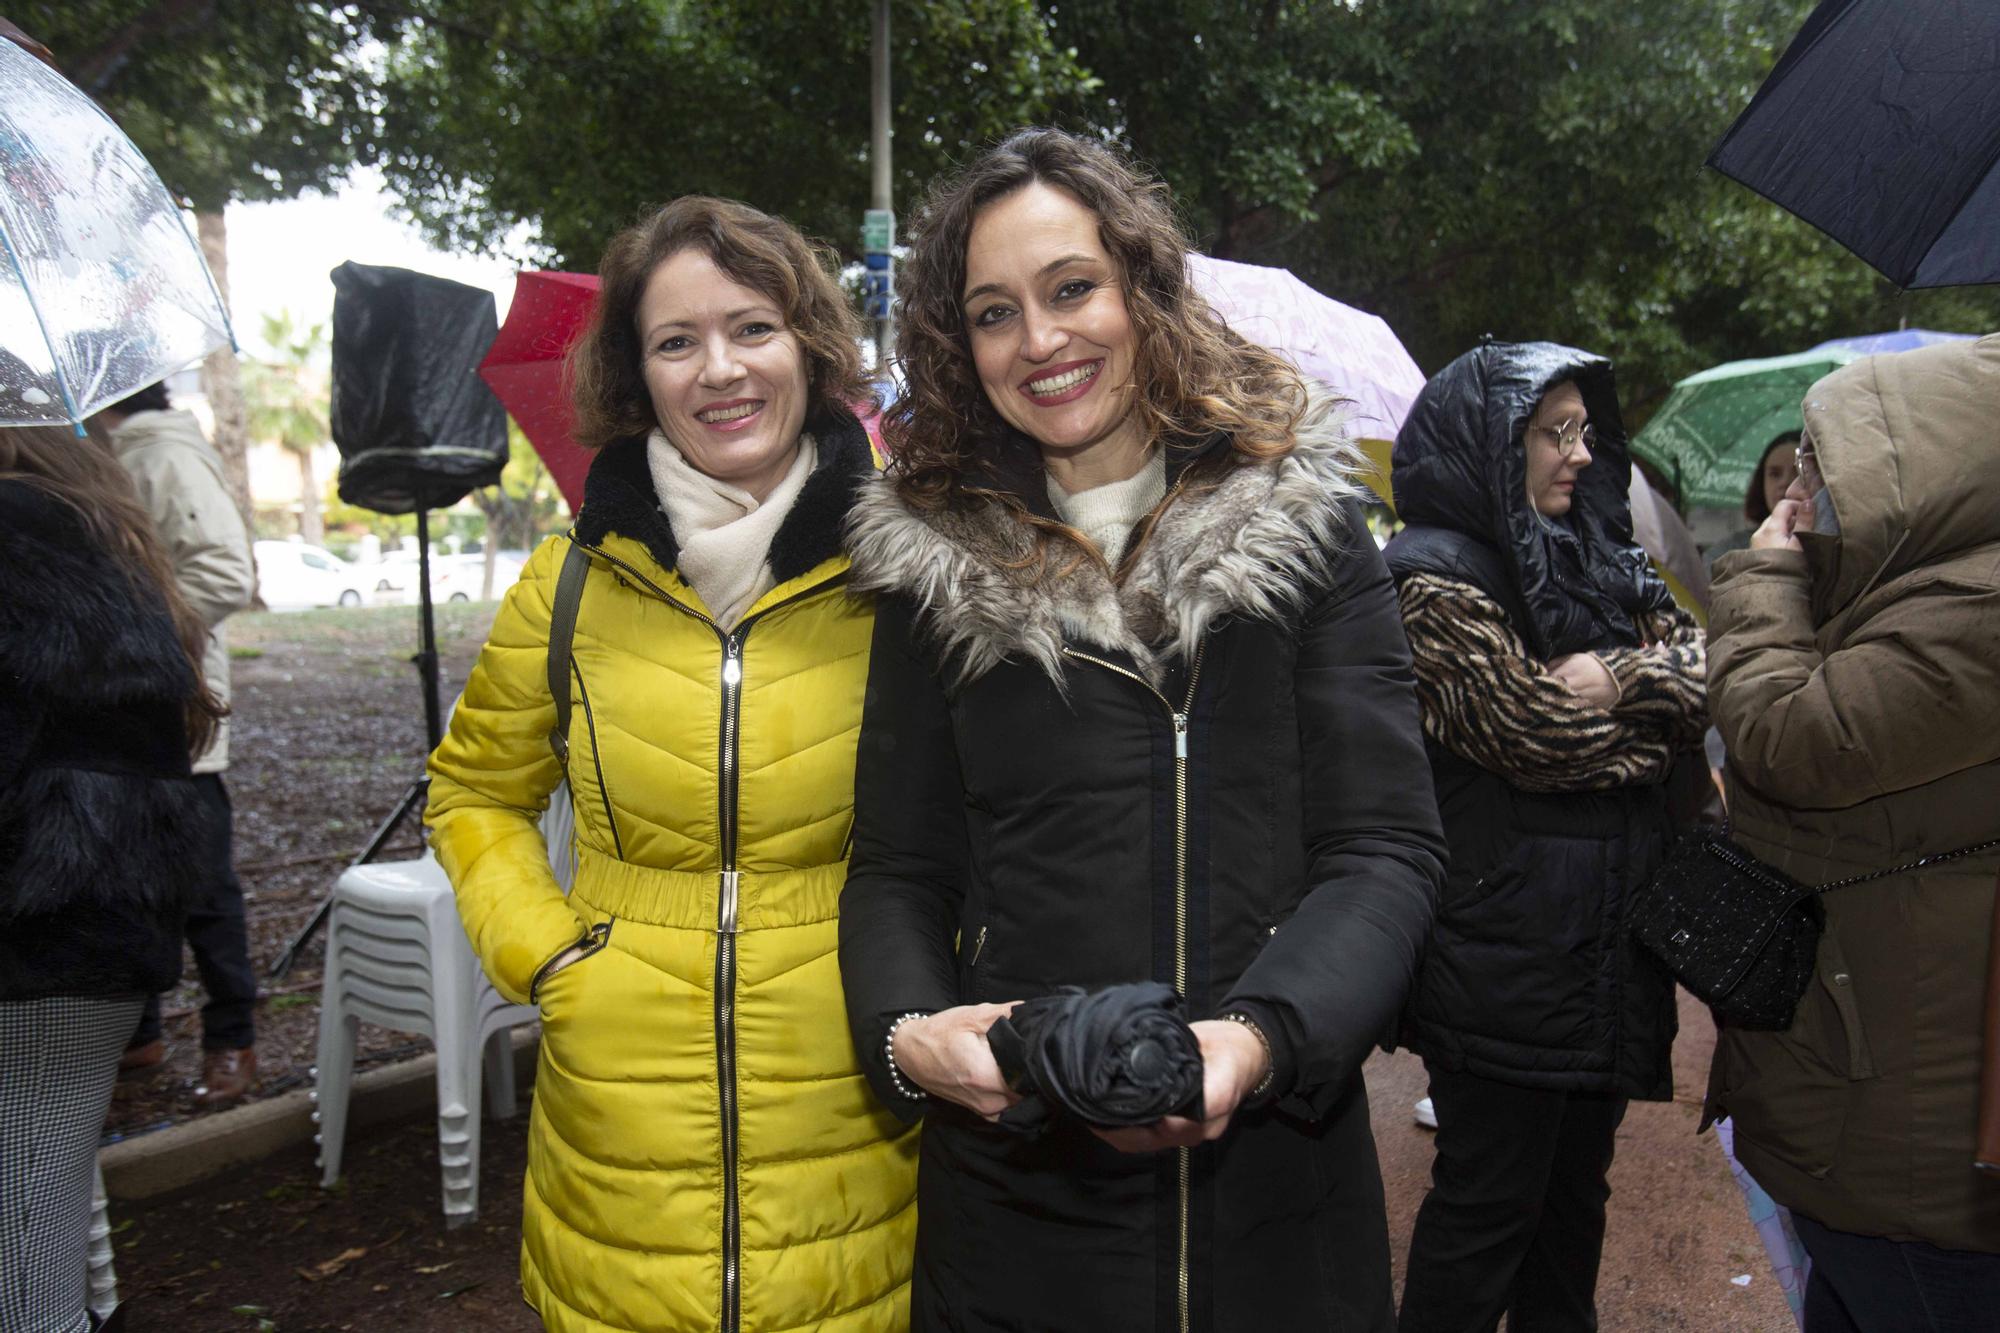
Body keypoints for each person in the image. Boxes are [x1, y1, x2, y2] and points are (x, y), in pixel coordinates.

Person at [839, 127, 1448, 1332]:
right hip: (1016, 1205)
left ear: (1141, 289)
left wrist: (1260, 1040)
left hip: (1275, 1201)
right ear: (959, 347)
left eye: (1071, 289)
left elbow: (1384, 849)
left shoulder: (1308, 535)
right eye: (993, 312)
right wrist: (910, 1036)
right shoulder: (933, 570)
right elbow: (897, 868)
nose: (1042, 340)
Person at [426, 196, 919, 1332]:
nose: (720, 370)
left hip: (854, 1095)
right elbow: (475, 792)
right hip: (615, 1116)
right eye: (674, 340)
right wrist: (549, 959)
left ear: (809, 342)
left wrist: (921, 985)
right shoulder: (571, 581)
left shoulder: (909, 569)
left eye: (752, 327)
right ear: (634, 373)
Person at [1383, 342, 1708, 1332]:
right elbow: (1536, 739)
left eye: (1582, 432)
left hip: (1604, 946)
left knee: (1572, 1207)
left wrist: (1618, 680)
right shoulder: (1428, 578)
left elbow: (1705, 665)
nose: (1575, 453)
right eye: (1548, 433)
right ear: (1489, 444)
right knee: (1485, 1209)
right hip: (1498, 952)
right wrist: (1660, 715)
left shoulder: (1604, 555)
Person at [1705, 334, 2000, 1330]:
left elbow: (1788, 737)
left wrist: (1761, 582)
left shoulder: (1976, 606)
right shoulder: (1937, 583)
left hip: (1905, 1130)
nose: (1798, 496)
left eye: (1822, 467)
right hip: (1882, 1085)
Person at [1, 424, 225, 1333]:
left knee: (21, 1226)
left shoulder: (14, 540)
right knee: (42, 1185)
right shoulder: (108, 543)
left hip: (32, 922)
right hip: (101, 928)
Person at [89, 382, 260, 1105]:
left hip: (172, 708)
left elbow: (225, 570)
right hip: (118, 706)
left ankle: (233, 1038)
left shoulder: (159, 452)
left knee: (202, 888)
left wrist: (133, 627)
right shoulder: (106, 454)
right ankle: (141, 1032)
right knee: (124, 873)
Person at [1703, 430, 1799, 572]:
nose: (1785, 482)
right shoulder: (1725, 554)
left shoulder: (1835, 550)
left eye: (1798, 471)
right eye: (1775, 474)